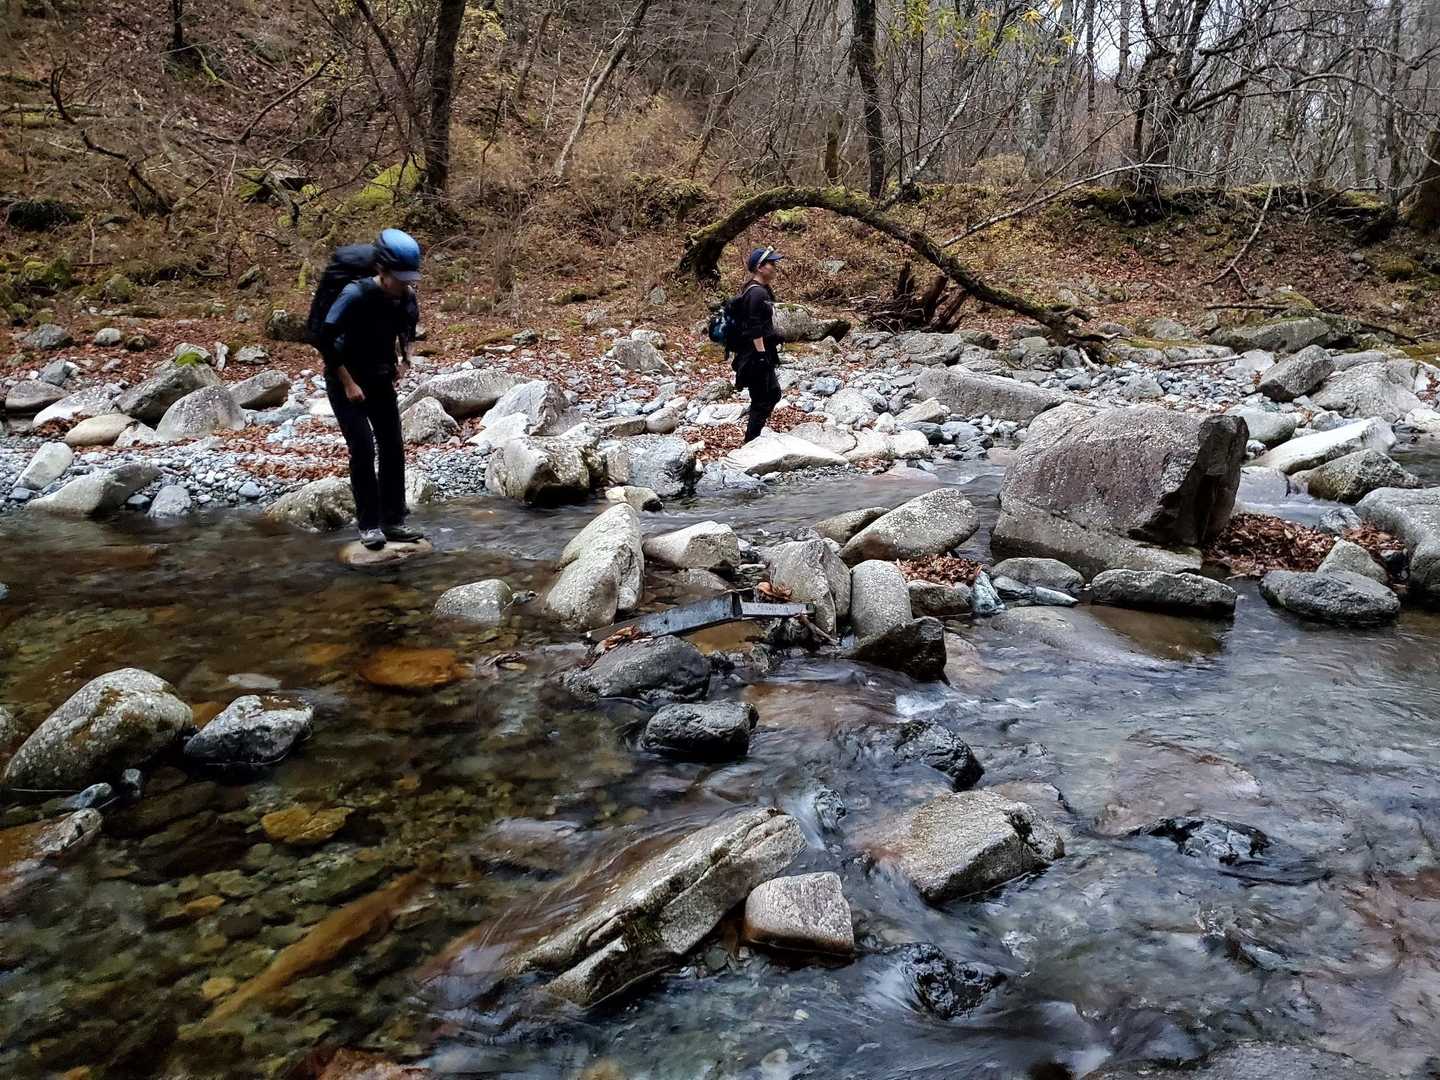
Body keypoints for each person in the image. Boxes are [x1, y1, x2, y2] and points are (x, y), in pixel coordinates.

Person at [318, 228, 426, 551]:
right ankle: (368, 525)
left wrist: (405, 359)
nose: (404, 285)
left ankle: (393, 520)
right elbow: (325, 339)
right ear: (381, 270)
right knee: (363, 448)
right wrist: (348, 383)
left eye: (408, 279)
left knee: (392, 446)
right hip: (345, 381)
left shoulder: (405, 296)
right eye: (399, 278)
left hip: (380, 379)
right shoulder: (355, 295)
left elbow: (408, 329)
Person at [731, 246, 784, 443]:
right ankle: (751, 442)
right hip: (755, 355)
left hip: (758, 352)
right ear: (760, 267)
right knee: (764, 398)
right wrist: (761, 354)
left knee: (772, 393)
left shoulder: (758, 290)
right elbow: (754, 326)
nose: (775, 267)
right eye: (771, 263)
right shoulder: (757, 293)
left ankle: (754, 437)